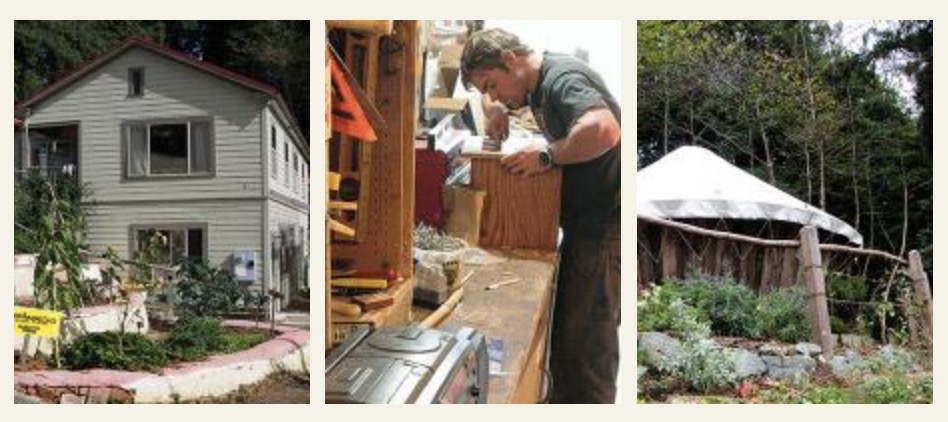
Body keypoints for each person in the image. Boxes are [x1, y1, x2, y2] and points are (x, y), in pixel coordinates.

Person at [460, 28, 621, 403]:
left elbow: (604, 129)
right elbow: (500, 97)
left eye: (491, 85)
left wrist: (546, 156)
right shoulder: (534, 86)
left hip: (602, 233)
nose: (493, 95)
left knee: (587, 350)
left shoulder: (561, 78)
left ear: (510, 60)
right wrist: (498, 107)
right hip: (585, 231)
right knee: (568, 343)